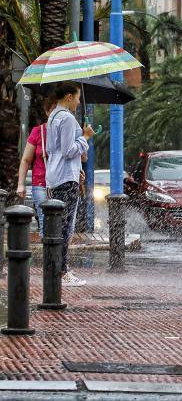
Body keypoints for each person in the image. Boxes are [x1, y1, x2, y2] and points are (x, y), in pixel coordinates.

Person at [46, 82, 94, 287]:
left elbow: (55, 150)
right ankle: (62, 271)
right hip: (65, 178)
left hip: (58, 175)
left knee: (60, 226)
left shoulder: (53, 116)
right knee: (66, 227)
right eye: (77, 97)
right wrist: (85, 137)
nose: (78, 101)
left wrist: (78, 168)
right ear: (67, 97)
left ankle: (58, 269)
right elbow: (67, 150)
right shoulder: (66, 118)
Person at [16, 96, 57, 235]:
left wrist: (84, 137)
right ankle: (48, 253)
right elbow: (26, 160)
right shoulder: (38, 132)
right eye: (53, 110)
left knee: (61, 223)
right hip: (41, 184)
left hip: (61, 182)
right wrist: (20, 184)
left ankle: (58, 254)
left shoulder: (67, 130)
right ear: (47, 112)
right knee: (45, 220)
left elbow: (81, 157)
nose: (56, 113)